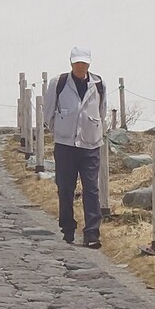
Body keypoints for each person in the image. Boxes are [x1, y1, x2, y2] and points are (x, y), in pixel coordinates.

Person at [45, 46, 107, 248]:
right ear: (71, 63)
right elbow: (49, 113)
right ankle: (67, 228)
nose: (80, 66)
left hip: (90, 144)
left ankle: (92, 233)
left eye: (84, 63)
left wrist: (93, 128)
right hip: (65, 145)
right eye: (77, 62)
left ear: (89, 63)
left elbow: (101, 111)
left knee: (91, 188)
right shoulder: (59, 83)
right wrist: (61, 130)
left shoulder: (98, 84)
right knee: (65, 187)